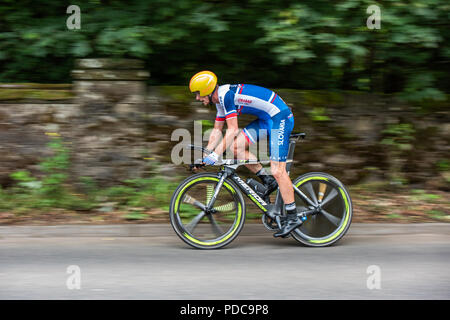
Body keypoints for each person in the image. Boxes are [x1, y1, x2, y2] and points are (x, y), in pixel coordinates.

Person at [189, 70, 301, 237]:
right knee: (235, 148)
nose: (197, 98)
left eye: (198, 93)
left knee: (278, 170)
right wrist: (206, 156)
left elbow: (233, 129)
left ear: (206, 90)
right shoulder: (219, 100)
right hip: (266, 119)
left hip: (280, 117)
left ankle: (293, 217)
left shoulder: (225, 96)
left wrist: (215, 155)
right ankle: (267, 180)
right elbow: (216, 132)